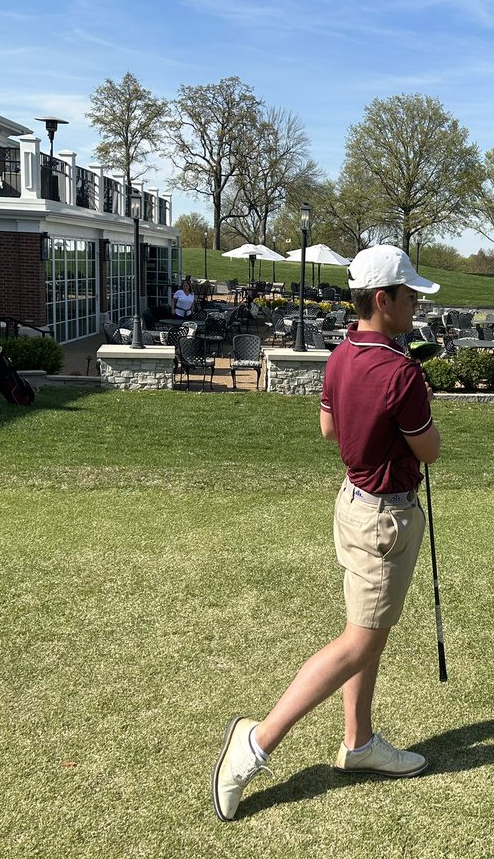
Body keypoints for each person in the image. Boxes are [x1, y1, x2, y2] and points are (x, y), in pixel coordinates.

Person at [212, 244, 442, 823]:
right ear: (382, 299)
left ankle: (358, 742)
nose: (416, 303)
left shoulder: (342, 353)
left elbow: (326, 426)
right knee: (359, 643)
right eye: (409, 294)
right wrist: (409, 395)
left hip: (353, 504)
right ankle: (256, 742)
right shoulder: (402, 372)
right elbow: (431, 449)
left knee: (369, 631)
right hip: (385, 519)